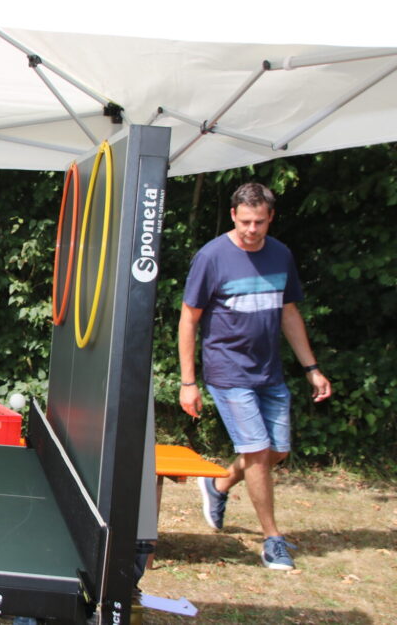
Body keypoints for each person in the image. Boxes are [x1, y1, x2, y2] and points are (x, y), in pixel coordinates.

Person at [178, 182, 332, 571]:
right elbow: (189, 319)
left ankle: (219, 484)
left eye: (259, 222)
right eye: (245, 221)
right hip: (227, 370)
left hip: (269, 371)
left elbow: (289, 313)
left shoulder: (280, 255)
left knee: (277, 451)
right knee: (258, 453)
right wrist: (188, 382)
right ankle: (272, 540)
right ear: (233, 215)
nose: (251, 229)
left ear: (270, 218)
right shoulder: (211, 257)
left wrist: (312, 368)